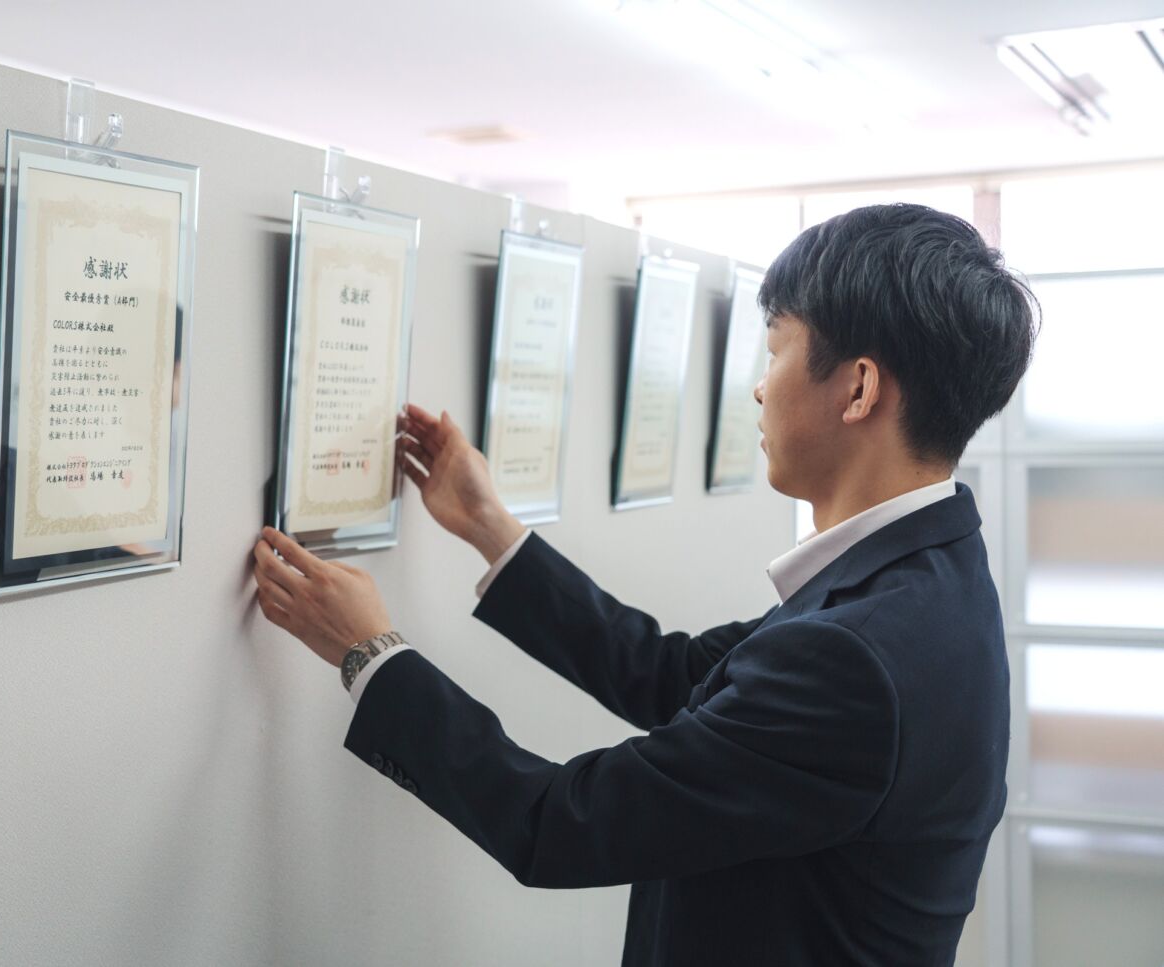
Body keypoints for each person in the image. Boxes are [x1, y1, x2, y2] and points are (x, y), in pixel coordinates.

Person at [251, 203, 1036, 966]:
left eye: (776, 351)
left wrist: (371, 653)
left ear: (858, 389)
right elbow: (676, 675)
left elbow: (559, 822)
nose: (760, 387)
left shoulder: (855, 658)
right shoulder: (927, 582)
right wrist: (490, 526)